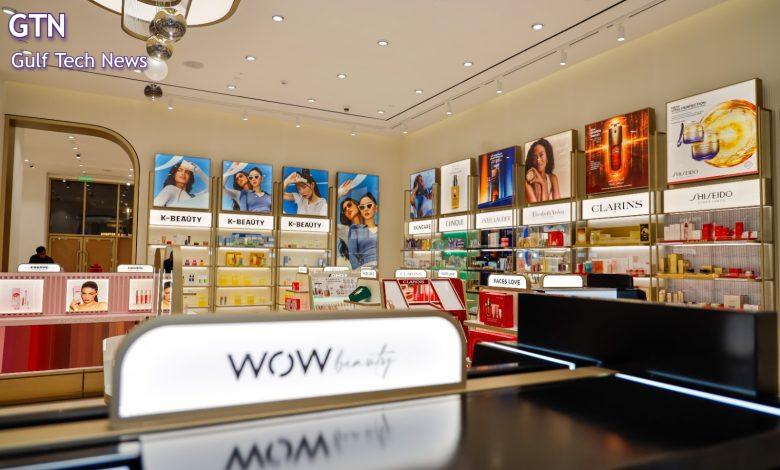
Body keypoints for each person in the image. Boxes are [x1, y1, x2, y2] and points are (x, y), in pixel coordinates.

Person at [525, 138, 560, 203]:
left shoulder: (552, 178)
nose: (538, 160)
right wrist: (542, 183)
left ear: (547, 157)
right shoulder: (527, 183)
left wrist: (542, 182)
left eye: (541, 155)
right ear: (532, 160)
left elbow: (559, 204)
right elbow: (539, 207)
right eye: (535, 156)